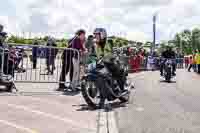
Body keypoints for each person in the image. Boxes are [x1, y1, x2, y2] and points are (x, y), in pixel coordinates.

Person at [92, 28, 128, 106]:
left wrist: (112, 53)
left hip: (111, 61)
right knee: (98, 75)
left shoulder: (109, 41)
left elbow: (113, 50)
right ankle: (102, 92)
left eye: (97, 34)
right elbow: (94, 54)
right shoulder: (95, 44)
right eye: (95, 35)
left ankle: (122, 89)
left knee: (117, 73)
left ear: (102, 34)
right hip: (102, 63)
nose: (96, 36)